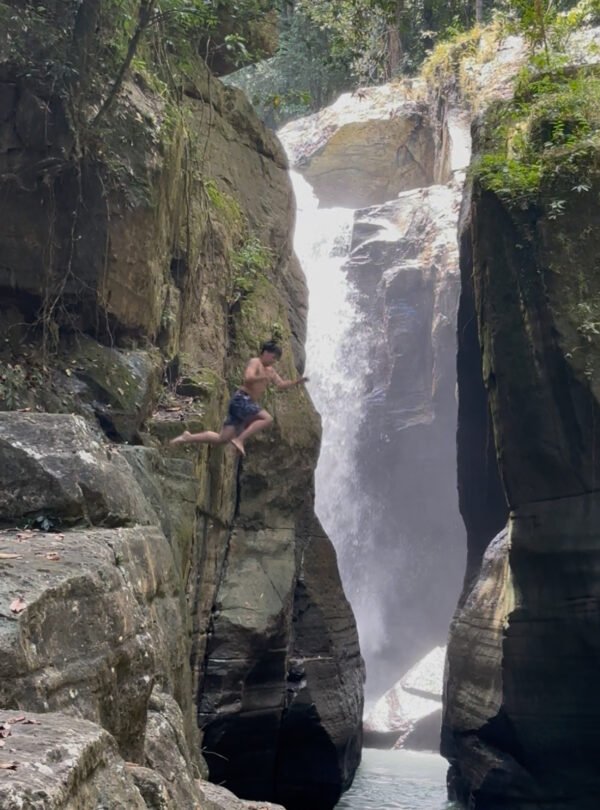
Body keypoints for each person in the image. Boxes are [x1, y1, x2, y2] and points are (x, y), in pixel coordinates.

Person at [169, 341, 308, 457]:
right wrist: (262, 377)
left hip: (244, 403)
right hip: (242, 399)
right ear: (265, 352)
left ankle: (188, 437)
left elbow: (281, 384)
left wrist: (297, 382)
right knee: (267, 418)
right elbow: (248, 378)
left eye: (276, 359)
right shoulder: (256, 362)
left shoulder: (270, 371)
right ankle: (240, 439)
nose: (274, 361)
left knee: (221, 439)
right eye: (273, 357)